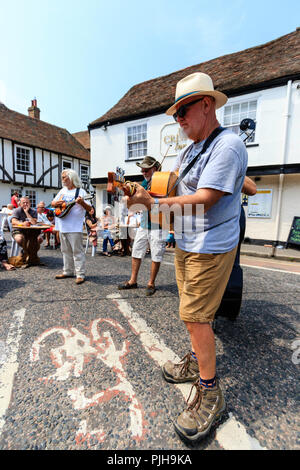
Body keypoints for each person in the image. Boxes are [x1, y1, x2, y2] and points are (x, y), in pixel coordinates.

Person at [125, 72, 248, 443]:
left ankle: (210, 392)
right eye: (175, 114)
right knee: (193, 313)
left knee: (195, 316)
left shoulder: (227, 145)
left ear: (207, 104)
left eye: (184, 111)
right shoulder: (191, 148)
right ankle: (196, 362)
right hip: (188, 240)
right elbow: (177, 187)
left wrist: (155, 203)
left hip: (210, 245)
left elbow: (206, 199)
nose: (178, 120)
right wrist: (143, 192)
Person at [118, 156, 166, 296]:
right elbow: (135, 199)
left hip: (159, 223)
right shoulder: (143, 185)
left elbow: (166, 198)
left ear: (155, 169)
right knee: (136, 251)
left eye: (147, 170)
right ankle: (133, 280)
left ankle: (151, 283)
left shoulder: (162, 181)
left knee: (156, 254)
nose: (144, 173)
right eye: (142, 171)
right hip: (144, 224)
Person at [51, 169, 91, 284]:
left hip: (74, 227)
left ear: (72, 178)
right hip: (62, 225)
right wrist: (58, 203)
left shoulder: (81, 192)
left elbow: (90, 209)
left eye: (65, 177)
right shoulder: (63, 190)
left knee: (77, 251)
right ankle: (67, 271)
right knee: (65, 250)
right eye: (62, 177)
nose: (63, 180)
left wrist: (82, 203)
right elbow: (53, 203)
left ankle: (80, 274)